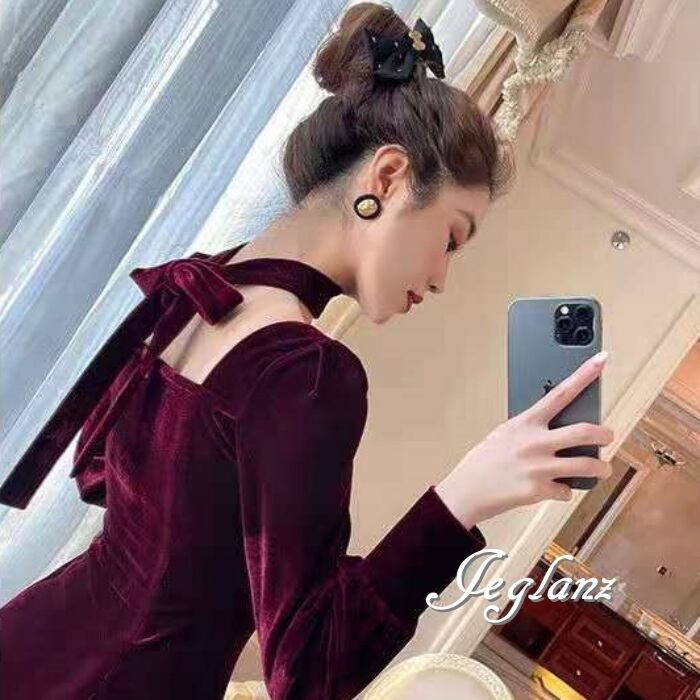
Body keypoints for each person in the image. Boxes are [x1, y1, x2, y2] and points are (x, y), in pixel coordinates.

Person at [0, 4, 614, 699]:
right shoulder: (305, 371)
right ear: (387, 178)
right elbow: (312, 675)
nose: (442, 276)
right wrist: (463, 496)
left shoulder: (203, 287)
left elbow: (108, 487)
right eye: (451, 238)